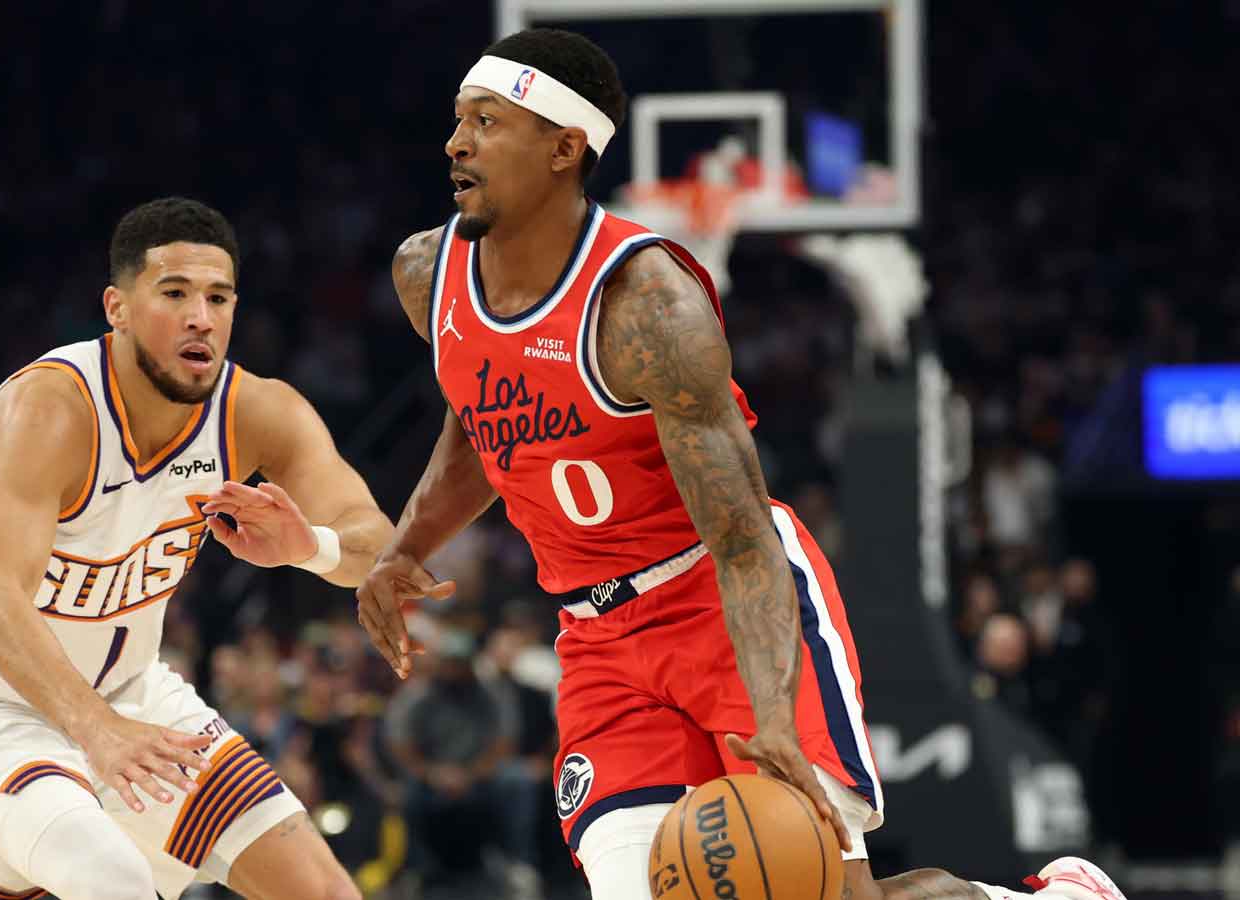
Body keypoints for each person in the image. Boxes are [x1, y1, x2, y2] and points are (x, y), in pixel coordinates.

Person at [356, 27, 1125, 900]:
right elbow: (483, 416)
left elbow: (743, 538)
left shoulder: (647, 309)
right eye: (459, 120)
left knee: (817, 896)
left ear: (565, 148)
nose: (456, 142)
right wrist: (405, 545)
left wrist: (772, 719)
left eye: (486, 122)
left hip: (721, 607)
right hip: (598, 640)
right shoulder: (428, 273)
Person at [0, 197, 378, 900]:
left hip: (129, 698)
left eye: (218, 297)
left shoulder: (257, 412)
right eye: (174, 293)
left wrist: (317, 547)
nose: (200, 318)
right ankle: (12, 835)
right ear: (117, 308)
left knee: (324, 894)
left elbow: (378, 546)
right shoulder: (50, 409)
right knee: (110, 878)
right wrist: (98, 732)